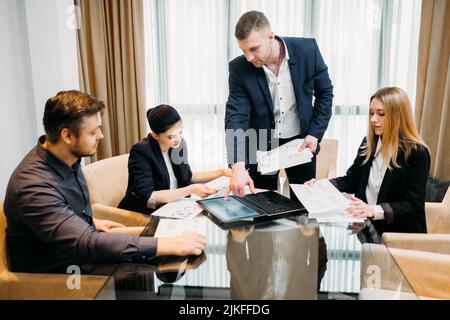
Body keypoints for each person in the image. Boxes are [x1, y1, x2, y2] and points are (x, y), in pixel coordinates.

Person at [3, 91, 206, 274]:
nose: (101, 135)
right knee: (165, 260)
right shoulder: (34, 186)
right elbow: (89, 244)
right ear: (67, 135)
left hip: (81, 251)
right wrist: (168, 244)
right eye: (93, 132)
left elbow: (63, 213)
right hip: (60, 273)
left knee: (174, 260)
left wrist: (89, 222)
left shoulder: (66, 159)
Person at [225, 11, 333, 198]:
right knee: (259, 205)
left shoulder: (308, 50)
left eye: (253, 49)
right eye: (243, 50)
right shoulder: (239, 68)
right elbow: (236, 116)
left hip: (300, 144)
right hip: (259, 145)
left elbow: (325, 94)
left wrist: (315, 134)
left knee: (304, 205)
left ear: (270, 37)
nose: (248, 57)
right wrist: (238, 164)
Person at [306, 87, 431, 234]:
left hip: (398, 236)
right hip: (365, 227)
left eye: (381, 114)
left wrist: (373, 210)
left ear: (398, 116)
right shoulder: (369, 143)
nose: (373, 119)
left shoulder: (418, 153)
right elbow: (351, 180)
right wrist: (322, 185)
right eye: (371, 113)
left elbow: (413, 207)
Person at [118, 104, 230, 215]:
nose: (178, 139)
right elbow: (149, 197)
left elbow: (188, 176)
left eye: (180, 132)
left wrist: (222, 172)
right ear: (155, 135)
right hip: (144, 214)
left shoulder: (179, 145)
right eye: (171, 136)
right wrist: (191, 189)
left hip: (174, 208)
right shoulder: (141, 151)